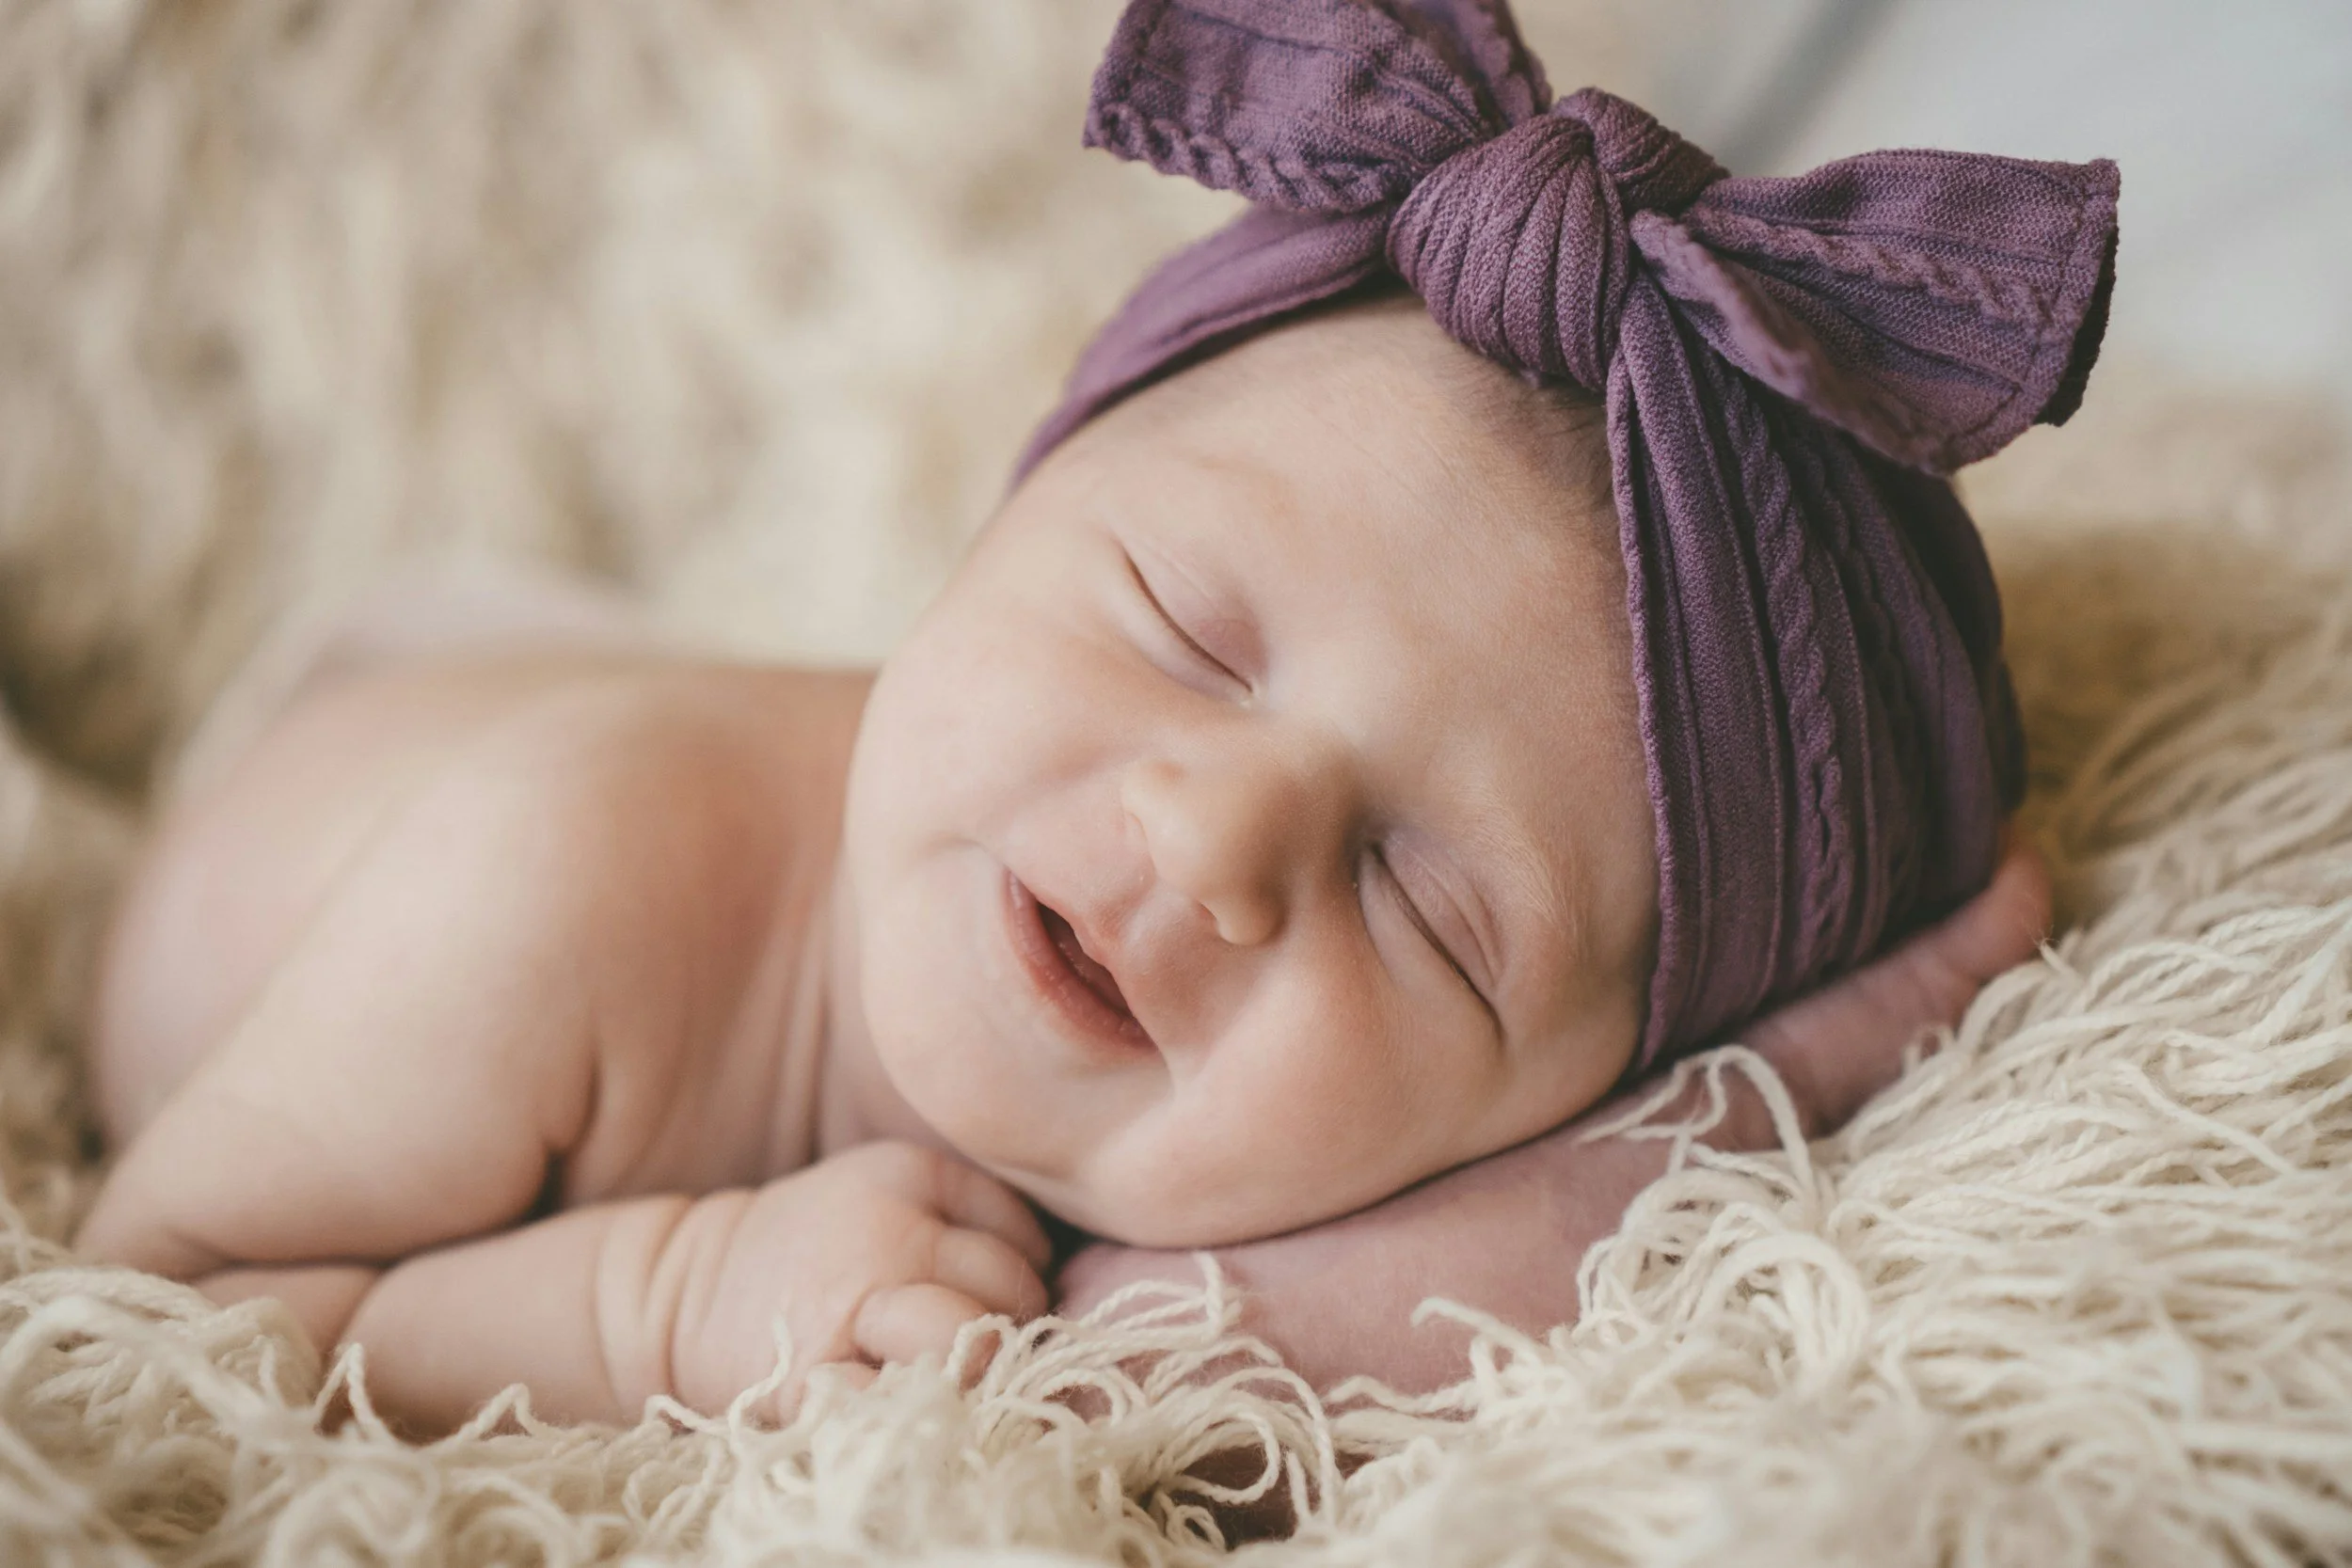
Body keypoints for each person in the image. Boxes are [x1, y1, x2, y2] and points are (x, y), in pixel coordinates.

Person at [73, 0, 2107, 1434]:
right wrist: (660, 1306)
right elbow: (159, 1312)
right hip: (364, 775)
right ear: (1016, 502)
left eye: (1430, 915)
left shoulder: (1220, 1136)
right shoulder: (562, 868)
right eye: (1178, 632)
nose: (1213, 838)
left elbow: (1276, 1330)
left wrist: (1804, 1062)